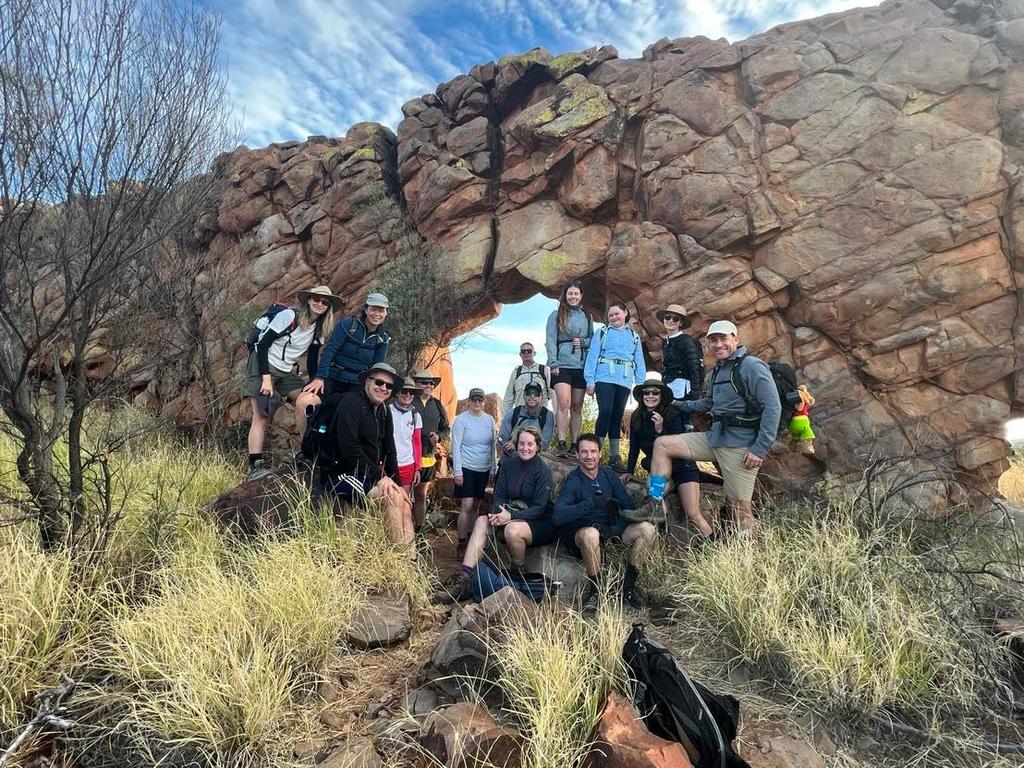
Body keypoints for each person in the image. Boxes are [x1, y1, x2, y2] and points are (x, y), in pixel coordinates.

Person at [649, 321, 781, 534]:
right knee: (663, 444)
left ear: (735, 340)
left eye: (723, 339)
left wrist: (760, 448)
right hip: (715, 438)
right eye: (713, 340)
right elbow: (706, 404)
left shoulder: (751, 366)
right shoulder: (717, 371)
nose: (718, 344)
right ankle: (654, 501)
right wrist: (675, 403)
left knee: (739, 510)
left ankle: (754, 560)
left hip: (739, 447)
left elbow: (773, 407)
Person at [439, 426, 556, 602]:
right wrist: (496, 513)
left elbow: (539, 508)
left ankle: (517, 574)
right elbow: (499, 496)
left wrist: (511, 516)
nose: (525, 447)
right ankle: (464, 578)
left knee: (512, 531)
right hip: (509, 514)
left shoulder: (543, 471)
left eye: (530, 444)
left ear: (537, 446)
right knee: (480, 521)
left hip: (538, 522)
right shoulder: (509, 465)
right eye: (521, 443)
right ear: (516, 445)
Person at [243, 285, 341, 478]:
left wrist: (315, 381)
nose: (319, 304)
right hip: (263, 365)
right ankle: (255, 466)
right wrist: (266, 379)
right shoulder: (289, 316)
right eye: (316, 299)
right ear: (308, 300)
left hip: (286, 371)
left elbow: (313, 358)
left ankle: (307, 451)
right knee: (262, 414)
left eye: (324, 302)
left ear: (328, 307)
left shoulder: (319, 327)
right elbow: (262, 346)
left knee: (310, 402)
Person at [554, 434, 658, 615]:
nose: (589, 456)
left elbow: (629, 506)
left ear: (600, 454)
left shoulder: (608, 475)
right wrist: (589, 504)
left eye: (593, 451)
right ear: (577, 455)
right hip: (583, 537)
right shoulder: (574, 481)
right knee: (590, 534)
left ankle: (628, 589)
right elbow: (558, 515)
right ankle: (596, 592)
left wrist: (616, 527)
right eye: (584, 452)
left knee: (647, 529)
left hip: (610, 532)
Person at [320, 362, 414, 547]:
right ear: (367, 382)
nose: (383, 388)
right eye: (379, 382)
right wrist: (380, 476)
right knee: (391, 498)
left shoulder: (384, 411)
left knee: (403, 500)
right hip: (342, 472)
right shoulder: (351, 403)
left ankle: (410, 561)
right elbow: (349, 447)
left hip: (366, 472)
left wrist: (398, 482)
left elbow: (389, 450)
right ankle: (398, 557)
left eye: (389, 386)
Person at [620, 378, 713, 538]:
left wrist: (660, 429)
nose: (650, 396)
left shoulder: (672, 413)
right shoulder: (637, 416)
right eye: (646, 392)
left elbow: (678, 445)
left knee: (693, 513)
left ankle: (713, 545)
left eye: (655, 392)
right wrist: (629, 471)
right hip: (659, 471)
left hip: (683, 468)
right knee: (655, 495)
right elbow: (634, 447)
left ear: (662, 395)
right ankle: (662, 536)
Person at [584, 302, 646, 472]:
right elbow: (592, 356)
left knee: (617, 416)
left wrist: (640, 386)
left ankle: (614, 457)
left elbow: (639, 361)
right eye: (611, 315)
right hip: (604, 377)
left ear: (625, 313)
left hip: (624, 380)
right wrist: (590, 381)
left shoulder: (634, 337)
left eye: (617, 314)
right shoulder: (602, 333)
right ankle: (595, 452)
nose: (614, 317)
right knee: (605, 411)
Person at [304, 291, 391, 398]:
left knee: (350, 410)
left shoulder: (383, 338)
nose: (377, 314)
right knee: (306, 400)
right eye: (373, 309)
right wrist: (319, 378)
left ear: (386, 313)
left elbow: (376, 368)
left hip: (357, 384)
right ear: (366, 310)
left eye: (381, 311)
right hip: (333, 376)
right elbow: (330, 350)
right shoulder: (348, 324)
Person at [545, 280, 594, 458]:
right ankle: (561, 442)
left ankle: (575, 443)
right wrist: (553, 362)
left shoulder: (587, 316)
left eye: (576, 294)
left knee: (577, 406)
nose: (573, 296)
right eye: (570, 293)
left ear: (581, 296)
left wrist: (583, 342)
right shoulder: (556, 314)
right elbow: (550, 339)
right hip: (562, 365)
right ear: (565, 295)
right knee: (563, 404)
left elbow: (592, 339)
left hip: (581, 365)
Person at [450, 387, 497, 556]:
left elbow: (492, 446)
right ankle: (461, 543)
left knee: (476, 505)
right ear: (469, 401)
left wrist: (493, 468)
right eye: (474, 400)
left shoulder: (489, 420)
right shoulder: (461, 421)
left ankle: (471, 538)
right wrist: (457, 472)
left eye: (480, 400)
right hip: (466, 468)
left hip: (483, 469)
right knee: (467, 506)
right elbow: (455, 446)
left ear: (484, 402)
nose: (477, 403)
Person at [411, 369, 450, 532]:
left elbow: (445, 428)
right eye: (424, 382)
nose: (428, 385)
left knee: (421, 496)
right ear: (416, 384)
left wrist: (439, 437)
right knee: (405, 497)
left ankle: (419, 532)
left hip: (427, 458)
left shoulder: (437, 404)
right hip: (408, 458)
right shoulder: (410, 400)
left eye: (431, 383)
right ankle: (405, 532)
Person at [656, 304, 704, 425]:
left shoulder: (687, 341)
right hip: (669, 387)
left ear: (680, 323)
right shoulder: (666, 342)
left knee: (680, 422)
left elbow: (695, 368)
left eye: (675, 319)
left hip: (683, 390)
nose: (670, 321)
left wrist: (694, 393)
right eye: (667, 317)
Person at [497, 382, 554, 455]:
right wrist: (512, 446)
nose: (532, 396)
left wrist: (523, 448)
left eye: (536, 393)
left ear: (541, 396)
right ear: (524, 395)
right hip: (512, 456)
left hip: (536, 457)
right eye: (529, 393)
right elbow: (502, 439)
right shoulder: (513, 413)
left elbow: (545, 443)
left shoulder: (547, 415)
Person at [389, 376, 423, 497]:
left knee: (403, 500)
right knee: (386, 500)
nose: (408, 394)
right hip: (389, 464)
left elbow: (417, 443)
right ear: (397, 393)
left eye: (412, 392)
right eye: (404, 391)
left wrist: (417, 468)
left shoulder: (416, 416)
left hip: (407, 465)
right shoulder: (387, 411)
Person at [502, 342, 551, 411]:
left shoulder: (544, 370)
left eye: (529, 351)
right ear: (520, 354)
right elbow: (508, 398)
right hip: (521, 415)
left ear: (534, 353)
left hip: (541, 415)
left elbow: (553, 394)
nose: (526, 353)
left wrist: (556, 417)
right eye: (523, 351)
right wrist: (506, 419)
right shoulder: (516, 373)